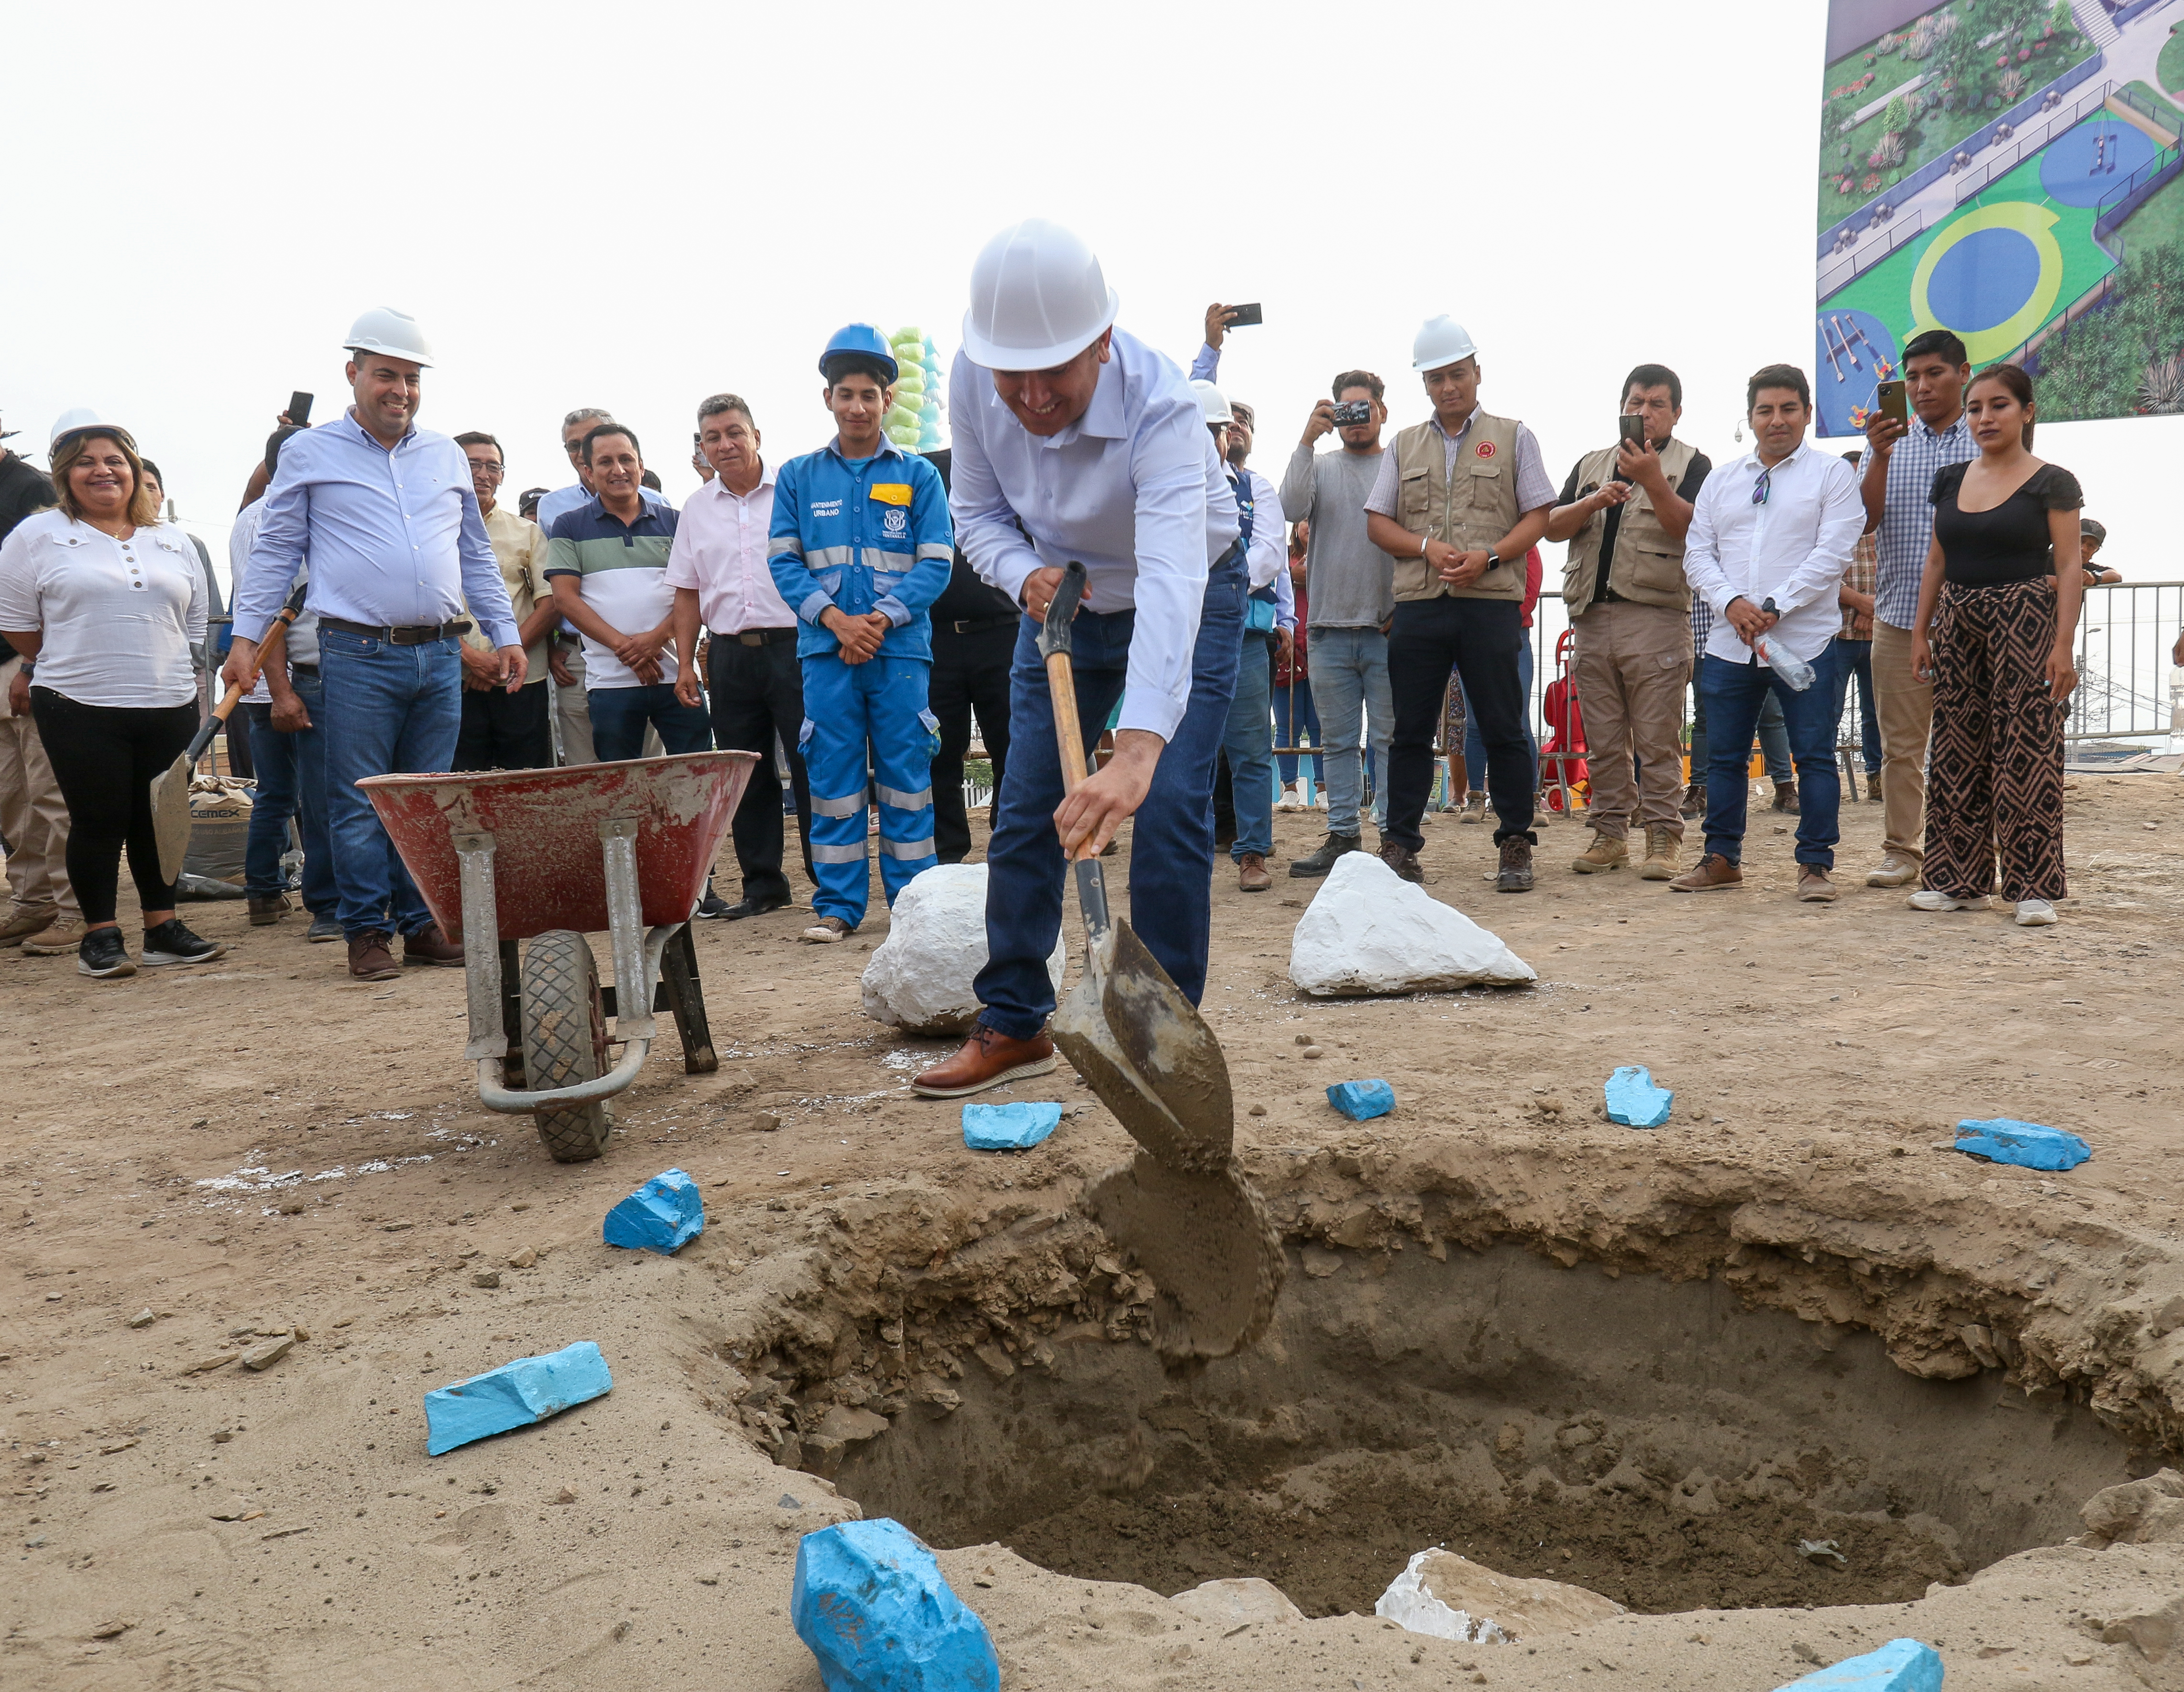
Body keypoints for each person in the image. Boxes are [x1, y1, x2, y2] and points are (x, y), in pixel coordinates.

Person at [912, 219, 1241, 1098]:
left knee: (1168, 805)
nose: (1029, 396)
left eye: (1051, 371)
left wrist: (1136, 750)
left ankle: (1162, 1044)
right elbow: (974, 517)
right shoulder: (976, 382)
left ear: (1101, 340)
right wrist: (1025, 574)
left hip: (1189, 591)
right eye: (1008, 373)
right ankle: (1014, 1019)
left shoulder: (1163, 406)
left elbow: (1173, 577)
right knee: (1024, 808)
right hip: (1060, 599)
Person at [226, 307, 525, 983]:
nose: (401, 390)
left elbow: (474, 556)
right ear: (353, 373)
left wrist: (503, 634)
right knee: (358, 798)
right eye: (386, 374)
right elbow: (274, 554)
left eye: (412, 378)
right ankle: (367, 929)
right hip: (357, 654)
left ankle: (420, 923)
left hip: (441, 655)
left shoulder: (445, 454)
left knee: (424, 797)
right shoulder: (309, 452)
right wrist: (245, 641)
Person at [0, 411, 223, 977]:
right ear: (63, 475)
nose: (102, 471)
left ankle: (161, 926)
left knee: (158, 816)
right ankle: (99, 934)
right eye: (85, 462)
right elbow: (18, 624)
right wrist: (76, 651)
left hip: (168, 699)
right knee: (96, 819)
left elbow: (195, 623)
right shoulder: (36, 535)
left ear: (133, 469)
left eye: (114, 461)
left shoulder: (172, 541)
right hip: (77, 702)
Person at [764, 324, 952, 944]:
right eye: (845, 393)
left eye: (869, 394)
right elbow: (784, 562)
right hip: (826, 652)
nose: (857, 406)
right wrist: (836, 619)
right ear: (828, 399)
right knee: (833, 778)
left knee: (905, 776)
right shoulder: (797, 476)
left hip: (898, 651)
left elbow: (936, 562)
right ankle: (838, 907)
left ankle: (913, 905)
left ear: (887, 401)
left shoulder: (920, 475)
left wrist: (879, 619)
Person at [1364, 317, 1556, 891]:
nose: (1448, 386)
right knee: (1408, 731)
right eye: (1436, 377)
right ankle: (1399, 844)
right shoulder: (1403, 445)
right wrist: (1425, 547)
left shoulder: (1514, 435)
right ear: (1424, 383)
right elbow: (1377, 523)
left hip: (1489, 603)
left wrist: (1490, 557)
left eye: (1457, 373)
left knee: (1503, 726)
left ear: (1476, 372)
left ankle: (1515, 842)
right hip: (1421, 606)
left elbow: (1539, 515)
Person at [1674, 364, 1862, 901]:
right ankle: (1720, 859)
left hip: (1804, 644)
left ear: (1805, 412)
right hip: (1730, 644)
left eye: (1787, 409)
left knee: (1814, 756)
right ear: (1750, 416)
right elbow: (1698, 552)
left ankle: (1814, 866)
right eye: (1765, 410)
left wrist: (1777, 606)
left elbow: (1833, 552)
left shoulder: (1831, 475)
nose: (1776, 420)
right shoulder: (1722, 479)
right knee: (1723, 758)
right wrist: (1731, 603)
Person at [1907, 366, 2084, 927]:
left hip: (2027, 617)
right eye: (1977, 407)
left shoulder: (2051, 481)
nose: (1985, 417)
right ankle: (1957, 881)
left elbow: (2069, 563)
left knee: (2026, 748)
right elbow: (1936, 560)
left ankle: (2032, 886)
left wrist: (2063, 643)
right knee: (1957, 749)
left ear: (2026, 412)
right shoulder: (1950, 478)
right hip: (1956, 619)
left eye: (1999, 405)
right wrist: (1919, 630)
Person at [1545, 363, 1712, 881]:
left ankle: (1663, 836)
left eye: (1656, 404)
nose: (1643, 412)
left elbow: (1692, 529)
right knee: (1602, 736)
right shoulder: (1591, 462)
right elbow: (1549, 526)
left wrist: (1652, 480)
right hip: (1592, 619)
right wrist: (1592, 499)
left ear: (1676, 413)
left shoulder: (1693, 464)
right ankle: (1609, 834)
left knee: (1657, 738)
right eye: (1635, 402)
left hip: (1656, 618)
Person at [667, 393, 816, 917]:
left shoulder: (795, 490)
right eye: (712, 437)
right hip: (728, 654)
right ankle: (764, 886)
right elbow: (686, 590)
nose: (725, 444)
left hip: (799, 647)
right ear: (703, 447)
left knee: (812, 761)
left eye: (734, 432)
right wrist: (685, 663)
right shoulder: (696, 509)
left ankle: (830, 883)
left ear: (757, 436)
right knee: (745, 772)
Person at [1860, 328, 1974, 890]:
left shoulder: (1987, 436)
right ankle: (1901, 851)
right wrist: (1878, 456)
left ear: (1963, 373)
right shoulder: (1886, 442)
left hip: (1977, 615)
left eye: (1934, 373)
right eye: (1912, 377)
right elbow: (1863, 520)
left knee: (1979, 741)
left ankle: (1979, 853)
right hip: (1898, 615)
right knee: (1900, 747)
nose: (1922, 386)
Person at [1280, 371, 1396, 875]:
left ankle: (1394, 837)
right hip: (1327, 629)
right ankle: (1344, 835)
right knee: (1339, 742)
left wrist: (1406, 607)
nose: (1352, 420)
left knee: (1391, 739)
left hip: (1388, 629)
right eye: (1343, 410)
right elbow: (1287, 506)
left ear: (1381, 412)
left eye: (1362, 409)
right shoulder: (1320, 465)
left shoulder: (1401, 464)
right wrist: (1307, 439)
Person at [233, 425, 339, 940]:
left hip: (264, 677)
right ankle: (314, 898)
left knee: (278, 792)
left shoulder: (248, 514)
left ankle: (263, 892)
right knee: (304, 795)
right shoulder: (282, 516)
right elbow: (278, 602)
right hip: (278, 675)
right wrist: (281, 689)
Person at [546, 424, 707, 763]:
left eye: (626, 460)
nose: (618, 470)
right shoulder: (569, 526)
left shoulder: (677, 522)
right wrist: (626, 648)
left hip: (679, 675)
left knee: (695, 777)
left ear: (641, 466)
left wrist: (654, 640)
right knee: (621, 783)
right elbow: (565, 599)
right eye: (605, 462)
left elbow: (694, 590)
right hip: (610, 680)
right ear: (588, 471)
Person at [1192, 380, 1290, 892]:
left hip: (1244, 636)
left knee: (1250, 749)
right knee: (1179, 748)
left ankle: (1251, 851)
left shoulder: (1257, 489)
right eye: (1204, 429)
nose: (1214, 438)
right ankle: (1177, 850)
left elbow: (1270, 551)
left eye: (1219, 429)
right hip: (1181, 635)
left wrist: (1214, 587)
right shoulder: (1166, 485)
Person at [538, 410, 669, 767]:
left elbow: (682, 589)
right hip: (577, 656)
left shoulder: (661, 508)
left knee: (650, 764)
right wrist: (548, 647)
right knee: (587, 766)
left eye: (589, 440)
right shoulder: (552, 509)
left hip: (658, 652)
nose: (581, 453)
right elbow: (551, 590)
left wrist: (648, 645)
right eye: (573, 446)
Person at [918, 447, 1019, 865]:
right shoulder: (921, 469)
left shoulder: (1013, 465)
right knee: (939, 749)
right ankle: (947, 850)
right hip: (935, 635)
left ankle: (1013, 839)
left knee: (1013, 744)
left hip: (1004, 630)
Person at [0, 414, 77, 955]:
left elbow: (51, 583)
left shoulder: (31, 490)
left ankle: (75, 908)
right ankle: (32, 899)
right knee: (11, 794)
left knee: (50, 790)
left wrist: (32, 666)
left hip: (25, 661)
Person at [450, 433, 557, 771]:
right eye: (473, 464)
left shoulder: (527, 532)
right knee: (462, 787)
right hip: (455, 677)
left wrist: (501, 659)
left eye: (492, 466)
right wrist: (470, 658)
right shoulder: (427, 532)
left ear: (502, 475)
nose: (484, 474)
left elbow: (550, 602)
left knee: (529, 786)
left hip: (521, 681)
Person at [1833, 448, 1883, 805]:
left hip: (1880, 630)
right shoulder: (1825, 520)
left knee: (1878, 712)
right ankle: (1820, 782)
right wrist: (1857, 601)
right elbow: (1815, 576)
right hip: (1835, 633)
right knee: (1826, 711)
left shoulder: (1886, 517)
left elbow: (1902, 569)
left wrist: (1873, 607)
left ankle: (1877, 779)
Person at [1273, 521, 1319, 807]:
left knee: (1319, 723)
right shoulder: (1283, 554)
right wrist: (1294, 574)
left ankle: (1323, 788)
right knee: (1288, 723)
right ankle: (1289, 788)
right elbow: (1277, 579)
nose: (1309, 527)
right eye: (1305, 520)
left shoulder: (1330, 554)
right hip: (1288, 647)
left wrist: (1309, 573)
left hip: (1320, 644)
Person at [2077, 518, 2120, 585]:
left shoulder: (2085, 568)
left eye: (2091, 546)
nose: (2084, 549)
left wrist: (2095, 578)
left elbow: (2116, 576)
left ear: (2096, 550)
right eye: (2081, 541)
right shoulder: (2055, 559)